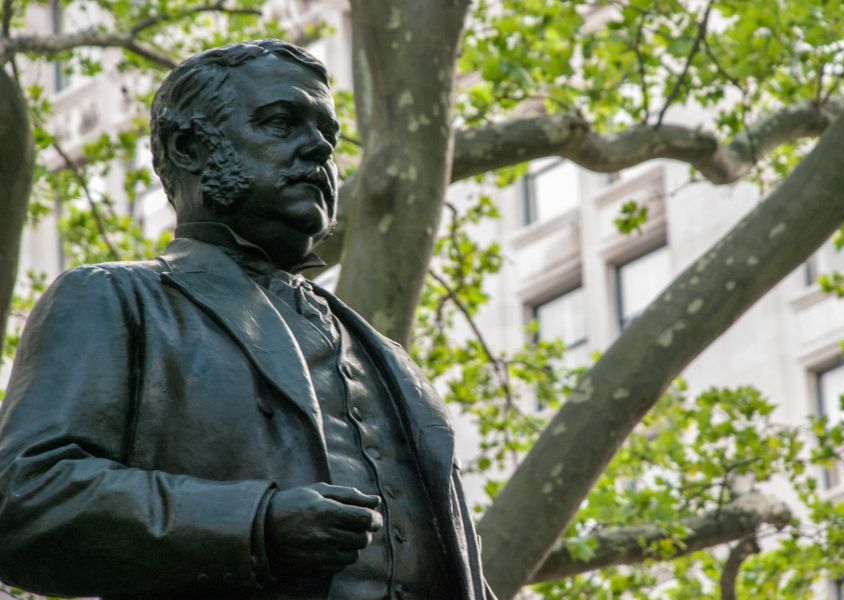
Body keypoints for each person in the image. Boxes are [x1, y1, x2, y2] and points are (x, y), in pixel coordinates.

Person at [0, 40, 494, 600]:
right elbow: (24, 499)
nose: (317, 149)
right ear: (189, 147)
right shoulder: (113, 298)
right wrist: (255, 522)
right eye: (281, 123)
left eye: (328, 137)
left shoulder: (391, 360)